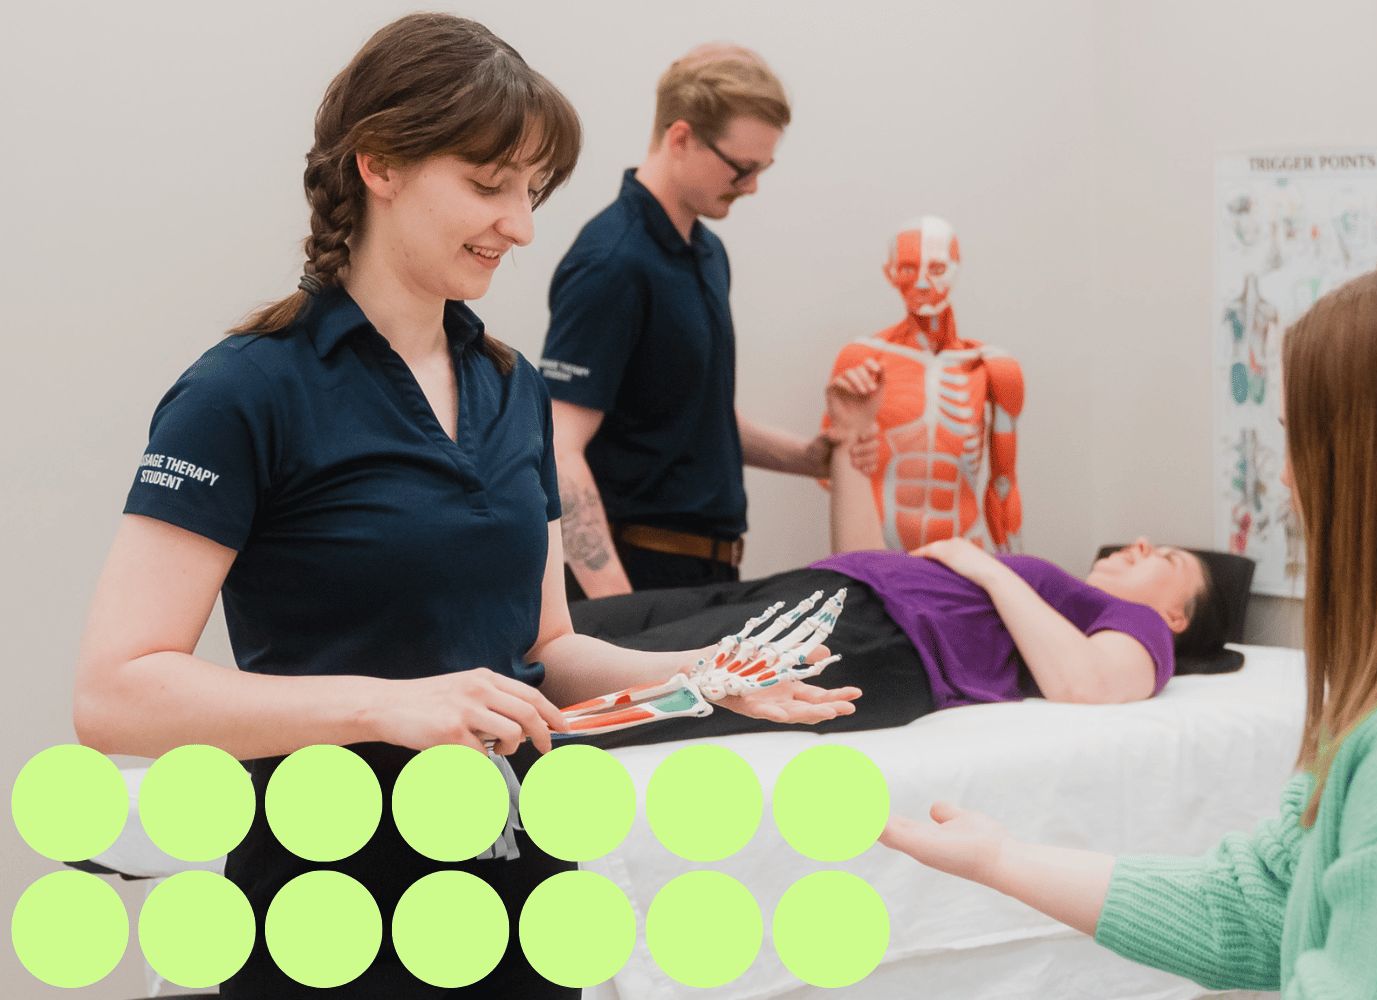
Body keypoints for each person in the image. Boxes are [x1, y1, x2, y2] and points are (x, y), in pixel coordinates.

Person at [70, 16, 856, 998]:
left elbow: (544, 649)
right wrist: (386, 706)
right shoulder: (243, 394)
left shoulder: (511, 388)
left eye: (531, 192)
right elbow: (114, 694)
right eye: (489, 187)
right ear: (379, 163)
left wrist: (698, 676)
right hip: (331, 908)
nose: (521, 226)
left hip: (522, 896)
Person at [879, 255, 1377, 997]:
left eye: (1297, 442)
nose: (1289, 479)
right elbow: (1269, 901)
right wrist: (1000, 858)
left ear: (1371, 469)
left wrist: (985, 568)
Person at [565, 366, 1221, 748]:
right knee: (573, 635)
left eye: (1163, 555)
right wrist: (854, 438)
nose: (1139, 544)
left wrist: (983, 565)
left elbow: (1086, 686)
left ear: (1177, 616)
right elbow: (863, 558)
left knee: (625, 695)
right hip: (828, 590)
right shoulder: (1046, 603)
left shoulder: (1142, 630)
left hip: (889, 645)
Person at [542, 43, 833, 599]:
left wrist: (807, 457)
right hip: (636, 573)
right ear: (681, 138)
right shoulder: (612, 262)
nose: (751, 187)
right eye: (743, 168)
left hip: (707, 573)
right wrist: (621, 614)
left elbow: (690, 414)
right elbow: (559, 449)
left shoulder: (706, 253)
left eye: (762, 169)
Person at [821, 216, 1025, 552]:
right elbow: (828, 474)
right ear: (890, 274)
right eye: (907, 270)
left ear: (956, 270)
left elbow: (1004, 485)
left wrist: (1017, 572)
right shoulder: (863, 357)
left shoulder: (994, 367)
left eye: (937, 269)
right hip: (880, 554)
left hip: (965, 555)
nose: (921, 283)